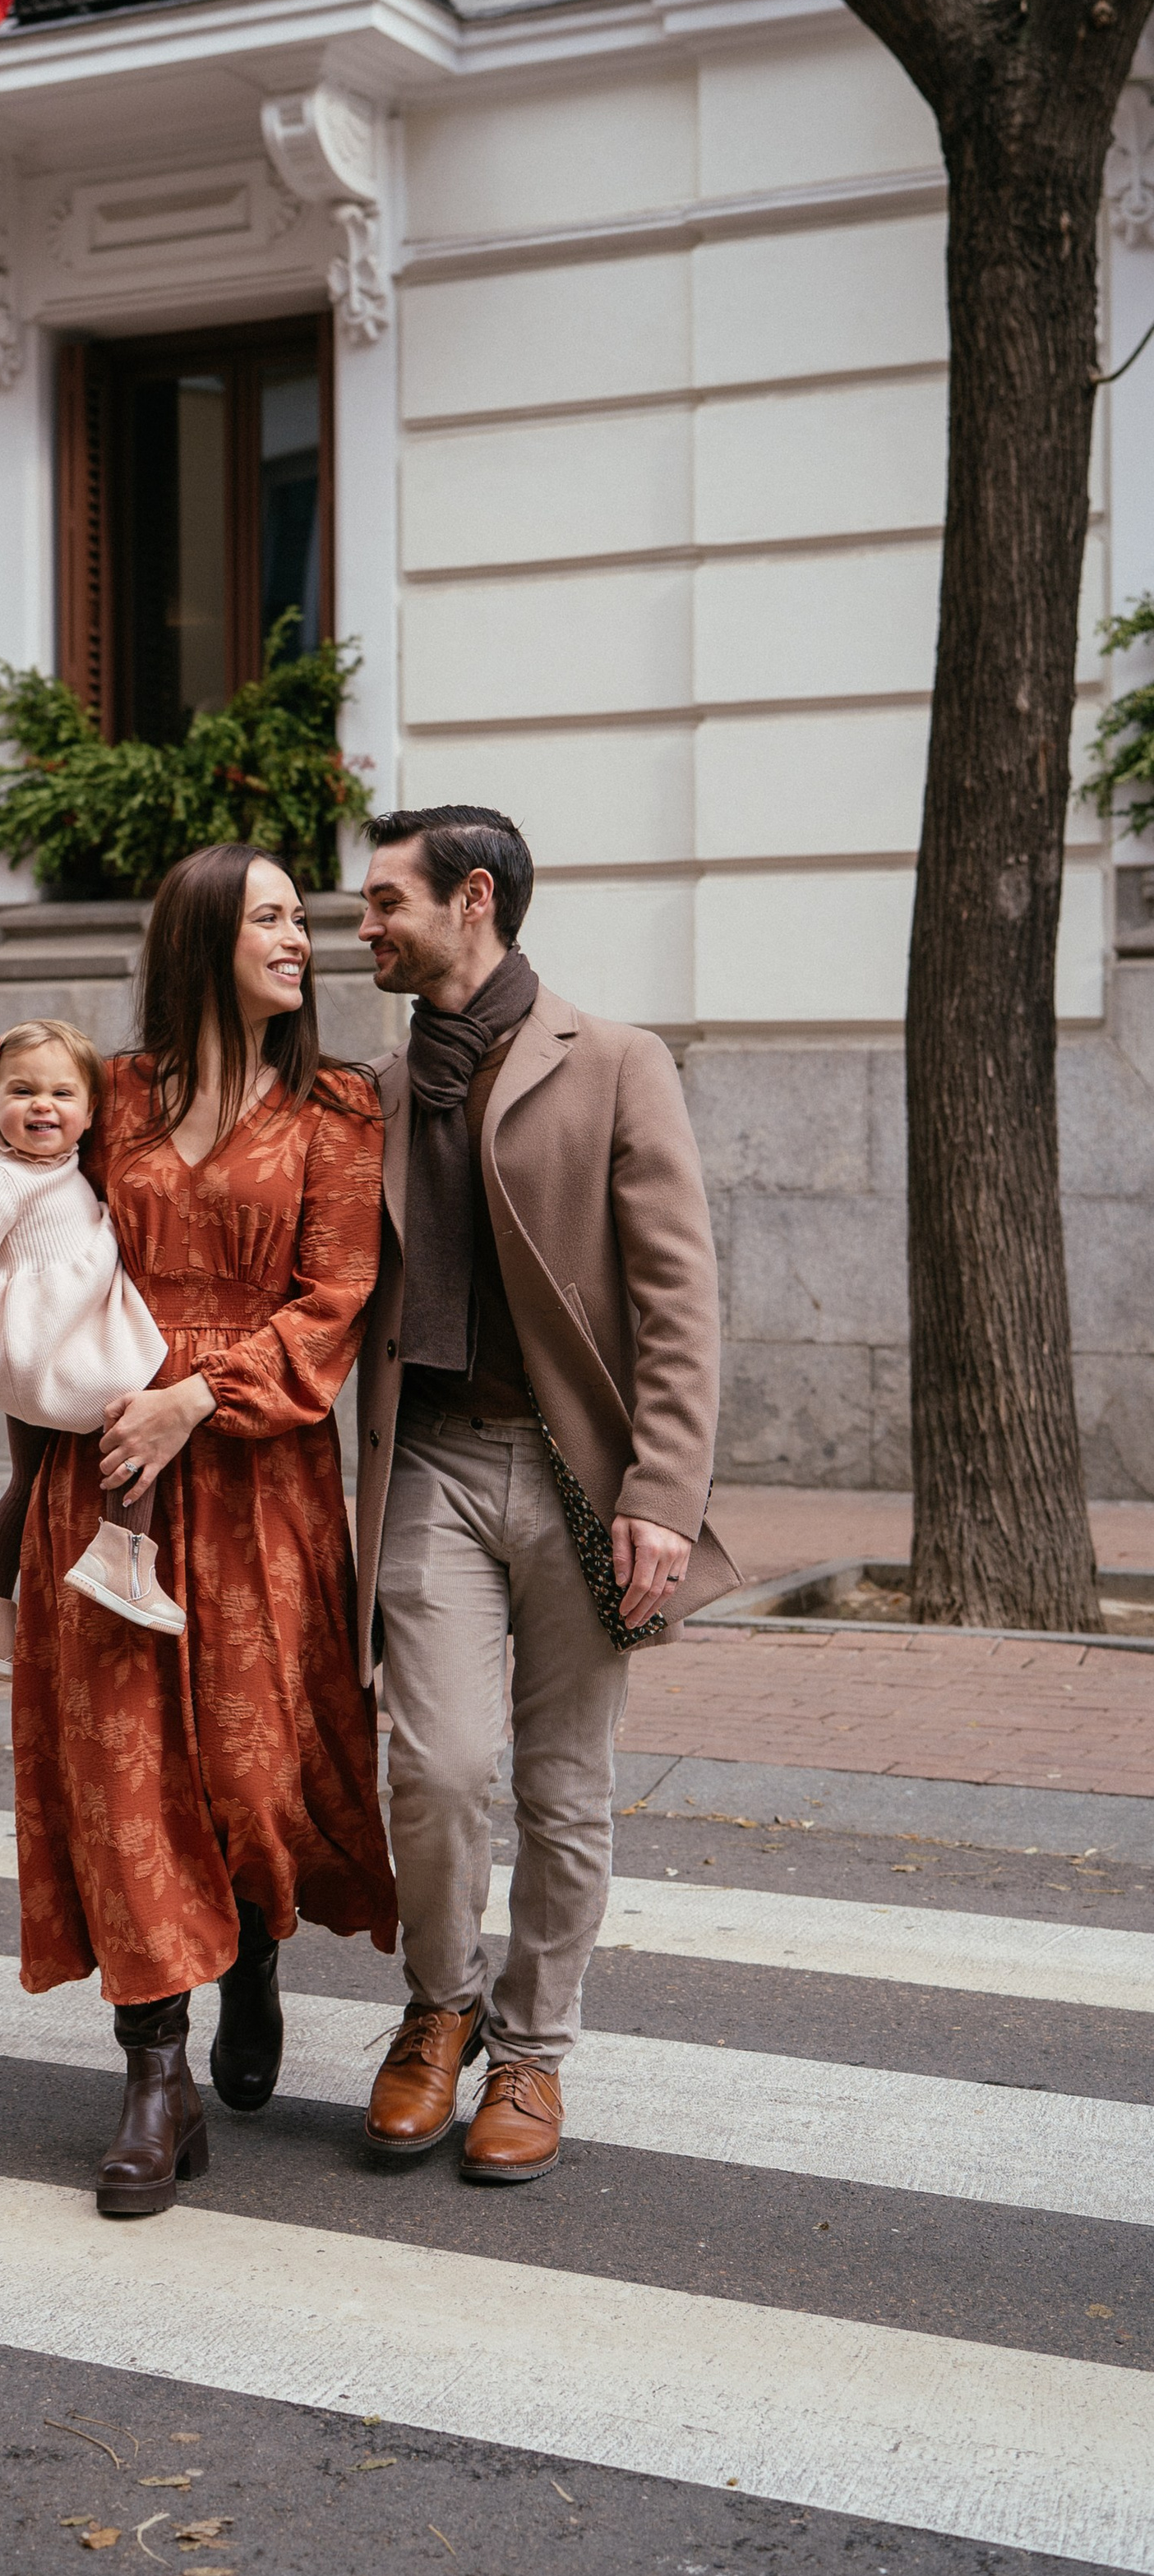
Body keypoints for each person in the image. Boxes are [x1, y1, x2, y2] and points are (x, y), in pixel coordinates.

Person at [352, 804, 736, 2183]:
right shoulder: (380, 1088)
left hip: (582, 1474)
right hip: (433, 1465)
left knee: (568, 1788)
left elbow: (678, 1298)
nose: (364, 926)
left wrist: (665, 1495)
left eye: (383, 901)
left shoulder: (615, 1060)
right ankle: (439, 2007)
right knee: (440, 1766)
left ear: (471, 900)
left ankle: (532, 2054)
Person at [14, 844, 398, 2220]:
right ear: (201, 938)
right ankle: (152, 2073)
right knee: (123, 1776)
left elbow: (334, 1303)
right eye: (276, 917)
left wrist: (199, 1397)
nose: (305, 937)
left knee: (250, 1768)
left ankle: (254, 1954)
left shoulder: (338, 1111)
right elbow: (36, 1251)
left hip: (257, 1477)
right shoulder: (106, 1099)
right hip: (108, 1473)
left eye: (306, 918)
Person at [0, 1018, 178, 1675]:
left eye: (62, 1094)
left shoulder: (72, 1167)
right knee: (134, 1417)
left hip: (41, 1345)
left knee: (25, 1480)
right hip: (45, 1342)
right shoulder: (0, 1179)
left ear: (91, 1112)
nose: (42, 1105)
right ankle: (119, 1552)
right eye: (22, 1091)